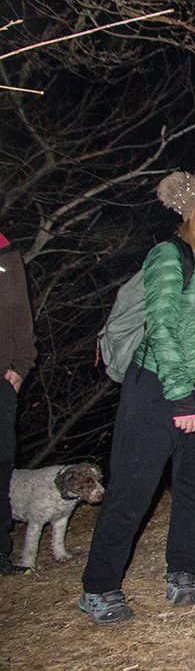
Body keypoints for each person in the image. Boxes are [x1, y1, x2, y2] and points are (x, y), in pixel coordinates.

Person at [79, 170, 195, 623]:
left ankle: (183, 571)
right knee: (132, 491)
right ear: (190, 206)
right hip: (156, 388)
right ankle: (99, 586)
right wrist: (179, 398)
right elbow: (163, 327)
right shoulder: (168, 255)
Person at [0, 219, 36, 576]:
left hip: (2, 380)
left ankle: (0, 552)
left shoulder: (6, 253)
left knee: (1, 465)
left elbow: (21, 314)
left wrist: (21, 366)